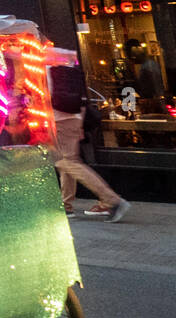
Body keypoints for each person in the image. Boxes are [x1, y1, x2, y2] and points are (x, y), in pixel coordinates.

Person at [49, 64, 129, 222]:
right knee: (68, 160)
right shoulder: (63, 61)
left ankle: (112, 200)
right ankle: (66, 205)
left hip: (60, 117)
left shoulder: (39, 62)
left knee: (64, 161)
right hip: (75, 114)